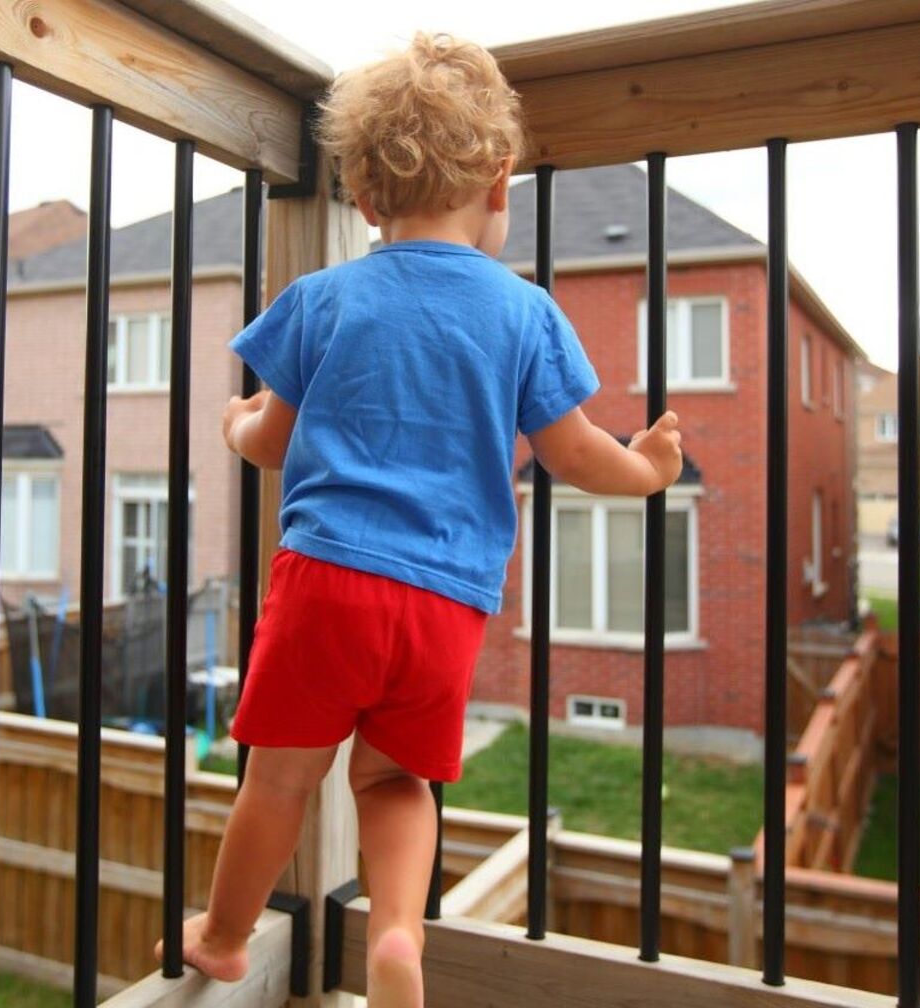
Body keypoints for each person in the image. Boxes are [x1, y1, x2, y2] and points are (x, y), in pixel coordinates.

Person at [162, 32, 683, 1007]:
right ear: (498, 184)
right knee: (395, 782)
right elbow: (576, 455)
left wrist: (237, 424)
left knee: (279, 781)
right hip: (445, 602)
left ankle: (226, 938)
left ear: (363, 200)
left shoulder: (323, 298)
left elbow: (275, 440)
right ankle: (398, 934)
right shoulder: (524, 315)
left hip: (325, 583)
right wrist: (648, 471)